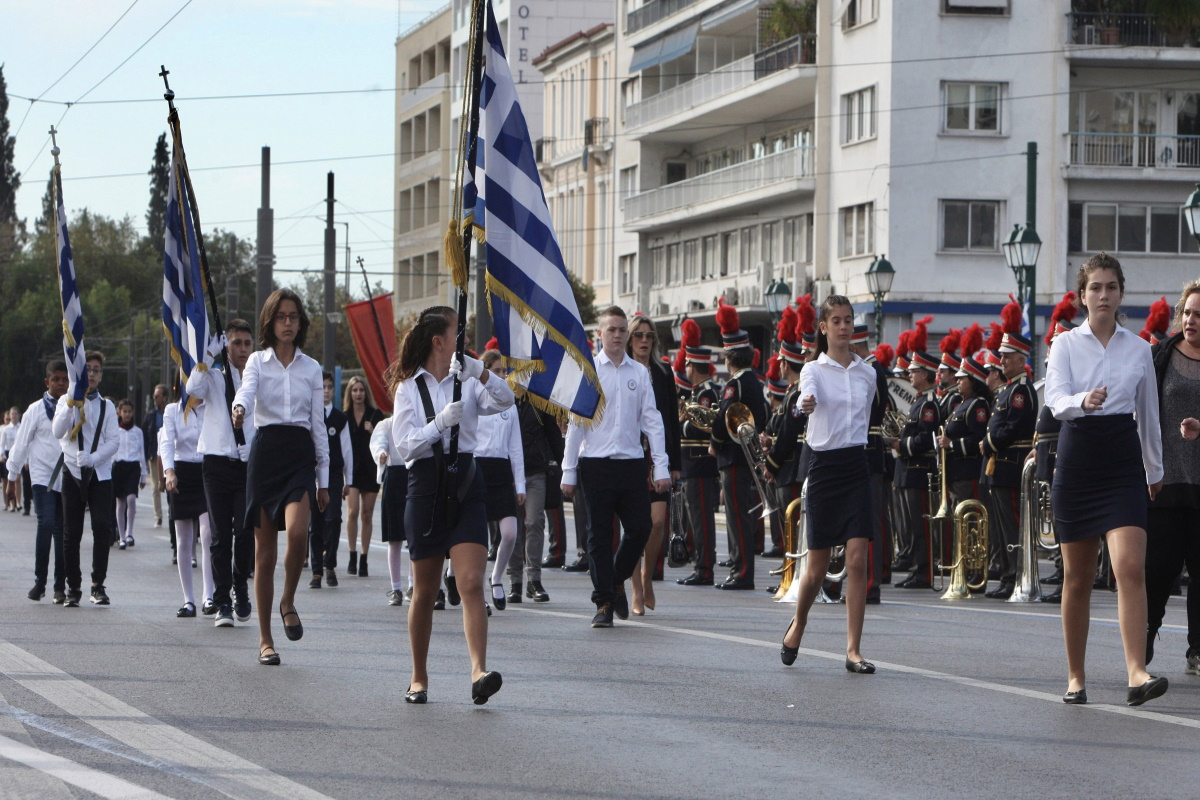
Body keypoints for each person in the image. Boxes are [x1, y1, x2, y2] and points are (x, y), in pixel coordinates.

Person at [1045, 252, 1166, 707]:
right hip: (1078, 457)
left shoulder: (1138, 349)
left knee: (1130, 567)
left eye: (1111, 287)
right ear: (1082, 296)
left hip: (1122, 461)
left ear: (1120, 294)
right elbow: (1055, 400)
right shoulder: (1065, 345)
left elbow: (1149, 416)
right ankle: (1076, 676)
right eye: (1095, 287)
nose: (1103, 295)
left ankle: (1137, 672)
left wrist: (1155, 470)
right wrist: (1083, 400)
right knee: (1077, 576)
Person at [392, 305, 513, 704]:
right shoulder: (409, 387)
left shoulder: (469, 380)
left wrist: (480, 371)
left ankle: (478, 671)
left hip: (465, 482)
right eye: (457, 334)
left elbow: (506, 399)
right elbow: (404, 445)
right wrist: (439, 423)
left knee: (471, 583)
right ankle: (418, 676)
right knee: (424, 591)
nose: (463, 342)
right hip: (425, 484)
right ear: (438, 341)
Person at [781, 295, 879, 673]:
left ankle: (853, 650)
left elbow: (871, 415)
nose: (843, 326)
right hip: (823, 468)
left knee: (857, 560)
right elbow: (806, 398)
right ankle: (800, 621)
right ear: (823, 328)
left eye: (848, 319)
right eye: (835, 320)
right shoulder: (813, 370)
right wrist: (804, 405)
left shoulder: (867, 373)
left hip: (856, 465)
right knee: (817, 568)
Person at [232, 288, 330, 666]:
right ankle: (265, 639)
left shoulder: (311, 367)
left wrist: (323, 478)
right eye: (281, 317)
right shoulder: (257, 360)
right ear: (270, 322)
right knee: (264, 553)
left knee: (299, 532)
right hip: (266, 451)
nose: (288, 323)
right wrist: (240, 407)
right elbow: (248, 388)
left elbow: (318, 425)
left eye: (293, 317)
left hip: (300, 453)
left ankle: (288, 599)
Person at [562, 306, 670, 627]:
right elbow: (576, 424)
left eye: (623, 330)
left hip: (632, 463)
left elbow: (652, 421)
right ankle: (604, 604)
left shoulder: (639, 372)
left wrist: (661, 466)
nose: (619, 335)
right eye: (612, 330)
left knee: (640, 528)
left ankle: (615, 580)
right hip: (595, 464)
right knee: (598, 536)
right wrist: (569, 470)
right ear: (600, 334)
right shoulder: (589, 371)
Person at [186, 319, 257, 626]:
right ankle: (222, 600)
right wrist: (207, 358)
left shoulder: (257, 377)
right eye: (236, 343)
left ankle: (241, 585)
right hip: (215, 463)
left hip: (247, 464)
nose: (241, 348)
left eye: (246, 343)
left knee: (243, 531)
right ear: (226, 345)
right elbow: (192, 388)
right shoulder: (214, 377)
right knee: (219, 536)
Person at [1145, 279, 1200, 674]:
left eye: (1199, 315)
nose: (1192, 320)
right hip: (1164, 485)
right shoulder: (1159, 356)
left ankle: (1197, 650)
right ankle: (1143, 641)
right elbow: (1141, 413)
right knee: (1158, 571)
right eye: (1188, 312)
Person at [51, 350, 119, 607]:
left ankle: (97, 584)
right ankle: (74, 587)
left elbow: (113, 441)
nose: (90, 374)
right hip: (72, 471)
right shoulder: (66, 401)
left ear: (101, 376)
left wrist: (94, 457)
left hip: (99, 473)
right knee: (71, 533)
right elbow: (58, 431)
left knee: (102, 528)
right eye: (86, 369)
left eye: (95, 370)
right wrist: (70, 401)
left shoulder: (107, 406)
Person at [626, 313, 681, 614]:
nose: (644, 341)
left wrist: (675, 463)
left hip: (658, 455)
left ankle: (648, 575)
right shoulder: (624, 370)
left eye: (649, 336)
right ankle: (636, 587)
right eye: (639, 336)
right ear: (630, 339)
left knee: (657, 521)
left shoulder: (663, 372)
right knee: (635, 524)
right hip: (631, 453)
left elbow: (671, 418)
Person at [710, 303, 767, 590]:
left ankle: (742, 571)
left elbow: (724, 416)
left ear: (729, 356)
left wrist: (714, 442)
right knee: (737, 514)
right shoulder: (754, 382)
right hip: (743, 456)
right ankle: (738, 567)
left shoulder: (735, 383)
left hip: (733, 456)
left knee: (737, 516)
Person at [464, 350, 526, 612]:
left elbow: (516, 448)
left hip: (501, 472)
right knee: (476, 539)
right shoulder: (474, 397)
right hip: (477, 468)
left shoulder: (508, 405)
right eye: (498, 371)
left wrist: (519, 484)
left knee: (510, 533)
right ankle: (474, 590)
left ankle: (497, 577)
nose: (502, 375)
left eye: (504, 371)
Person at [980, 330, 1038, 600]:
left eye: (1006, 356)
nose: (1001, 360)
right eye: (1001, 356)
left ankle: (1014, 576)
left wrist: (989, 442)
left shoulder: (1021, 391)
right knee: (1002, 528)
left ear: (1020, 359)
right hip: (999, 467)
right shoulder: (1008, 389)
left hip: (1011, 465)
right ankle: (1006, 574)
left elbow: (1012, 428)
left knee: (1012, 525)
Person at [8, 361, 70, 603]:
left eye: (65, 379)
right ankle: (39, 582)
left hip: (67, 479)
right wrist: (12, 478)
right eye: (56, 379)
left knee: (62, 532)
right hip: (42, 478)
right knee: (45, 523)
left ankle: (59, 586)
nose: (61, 383)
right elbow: (21, 444)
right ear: (47, 382)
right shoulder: (34, 410)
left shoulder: (75, 408)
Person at [506, 389, 563, 603]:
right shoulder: (502, 399)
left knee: (535, 522)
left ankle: (534, 580)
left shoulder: (539, 400)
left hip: (535, 472)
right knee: (513, 529)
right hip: (509, 473)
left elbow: (552, 433)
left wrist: (566, 465)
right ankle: (515, 582)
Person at [161, 387, 214, 618]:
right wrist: (169, 472)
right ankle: (189, 600)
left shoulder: (212, 407)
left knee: (208, 533)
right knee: (184, 539)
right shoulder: (172, 410)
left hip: (207, 471)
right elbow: (167, 442)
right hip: (181, 471)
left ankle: (209, 596)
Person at [676, 324, 721, 587]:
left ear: (693, 366)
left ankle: (705, 569)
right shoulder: (698, 393)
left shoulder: (706, 393)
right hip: (692, 465)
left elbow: (702, 424)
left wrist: (682, 423)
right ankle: (700, 565)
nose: (686, 370)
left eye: (688, 366)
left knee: (701, 519)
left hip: (700, 464)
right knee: (695, 518)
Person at [894, 351, 943, 589]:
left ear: (924, 374)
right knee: (912, 527)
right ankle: (916, 569)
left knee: (921, 526)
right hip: (909, 470)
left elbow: (926, 438)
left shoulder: (929, 404)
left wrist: (901, 444)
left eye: (914, 371)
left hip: (919, 470)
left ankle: (924, 573)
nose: (909, 375)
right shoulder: (920, 401)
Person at [310, 372, 352, 589]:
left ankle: (330, 565)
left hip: (334, 474)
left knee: (333, 518)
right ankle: (316, 570)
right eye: (322, 387)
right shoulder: (310, 414)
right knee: (315, 523)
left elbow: (347, 450)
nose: (325, 391)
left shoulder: (340, 418)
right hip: (313, 472)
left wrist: (349, 479)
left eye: (329, 387)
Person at [344, 375, 383, 577]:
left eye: (361, 390)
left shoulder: (375, 415)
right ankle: (352, 555)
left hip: (370, 470)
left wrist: (373, 430)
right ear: (349, 393)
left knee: (366, 514)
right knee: (352, 512)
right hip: (351, 471)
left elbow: (384, 439)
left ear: (366, 393)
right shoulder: (345, 416)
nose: (358, 394)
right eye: (354, 390)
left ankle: (364, 557)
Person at [370, 413, 408, 607]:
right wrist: (381, 454)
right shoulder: (386, 424)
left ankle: (413, 584)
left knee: (416, 536)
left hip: (414, 475)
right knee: (394, 538)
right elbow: (377, 441)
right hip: (394, 476)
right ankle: (396, 588)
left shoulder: (415, 419)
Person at [111, 399, 147, 550]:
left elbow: (142, 453)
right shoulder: (114, 431)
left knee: (131, 499)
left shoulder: (138, 432)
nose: (127, 414)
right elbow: (111, 451)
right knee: (120, 502)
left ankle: (130, 532)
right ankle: (122, 536)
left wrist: (144, 474)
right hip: (119, 466)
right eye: (124, 411)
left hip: (133, 467)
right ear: (119, 413)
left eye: (129, 411)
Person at [141, 384, 170, 527]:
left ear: (165, 397)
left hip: (169, 455)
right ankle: (158, 516)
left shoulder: (171, 412)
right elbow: (144, 436)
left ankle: (173, 511)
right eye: (154, 395)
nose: (155, 398)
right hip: (154, 454)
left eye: (157, 396)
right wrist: (146, 456)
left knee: (170, 483)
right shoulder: (151, 415)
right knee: (155, 486)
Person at [1, 407, 19, 511]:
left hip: (16, 453)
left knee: (16, 479)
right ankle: (6, 503)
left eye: (15, 414)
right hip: (6, 454)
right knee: (6, 480)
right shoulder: (5, 429)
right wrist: (1, 455)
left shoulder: (21, 427)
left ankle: (15, 503)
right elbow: (2, 444)